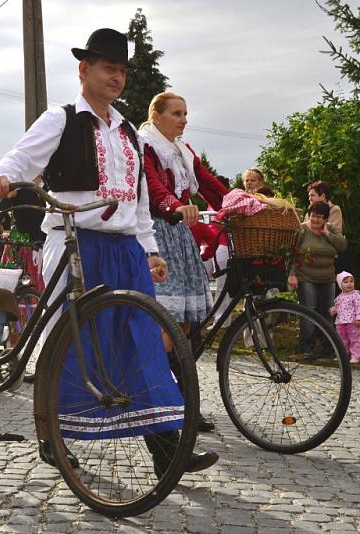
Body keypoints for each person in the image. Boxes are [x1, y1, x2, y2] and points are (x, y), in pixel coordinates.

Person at [0, 28, 217, 475]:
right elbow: (19, 159)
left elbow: (141, 201)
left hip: (126, 249)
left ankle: (166, 447)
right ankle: (51, 436)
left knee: (143, 340)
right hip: (76, 242)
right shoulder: (62, 118)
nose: (117, 78)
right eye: (109, 68)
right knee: (68, 340)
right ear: (84, 69)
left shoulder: (129, 130)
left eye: (123, 71)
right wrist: (1, 178)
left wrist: (149, 248)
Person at [139, 91, 229, 431]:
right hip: (156, 235)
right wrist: (174, 205)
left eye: (185, 113)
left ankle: (184, 401)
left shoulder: (184, 152)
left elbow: (210, 187)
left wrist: (241, 202)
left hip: (181, 237)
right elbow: (153, 186)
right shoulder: (145, 144)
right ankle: (162, 401)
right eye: (177, 113)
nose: (184, 119)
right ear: (157, 115)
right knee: (167, 323)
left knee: (188, 325)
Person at [288, 201, 347, 358]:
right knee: (309, 311)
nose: (315, 220)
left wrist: (327, 233)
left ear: (326, 219)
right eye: (313, 216)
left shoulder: (331, 230)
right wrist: (292, 274)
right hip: (306, 277)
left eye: (319, 217)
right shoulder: (301, 230)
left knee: (327, 313)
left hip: (327, 278)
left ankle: (329, 348)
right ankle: (306, 348)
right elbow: (292, 253)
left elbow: (342, 246)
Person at [330, 271, 360, 364]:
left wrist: (358, 318)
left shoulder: (355, 295)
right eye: (346, 282)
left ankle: (356, 356)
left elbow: (359, 307)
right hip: (340, 322)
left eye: (351, 281)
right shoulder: (339, 297)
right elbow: (337, 307)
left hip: (352, 322)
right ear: (340, 284)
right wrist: (333, 310)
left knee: (354, 339)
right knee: (342, 340)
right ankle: (343, 355)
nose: (349, 284)